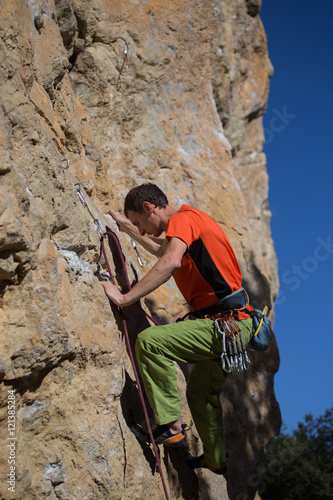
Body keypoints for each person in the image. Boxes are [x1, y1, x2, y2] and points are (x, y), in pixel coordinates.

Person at [101, 183, 253, 475]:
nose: (141, 230)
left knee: (149, 342)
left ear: (149, 208)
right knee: (201, 395)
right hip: (232, 326)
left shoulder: (184, 218)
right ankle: (215, 458)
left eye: (139, 222)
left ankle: (170, 426)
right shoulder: (191, 223)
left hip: (223, 324)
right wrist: (125, 227)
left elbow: (170, 261)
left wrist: (124, 298)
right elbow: (164, 250)